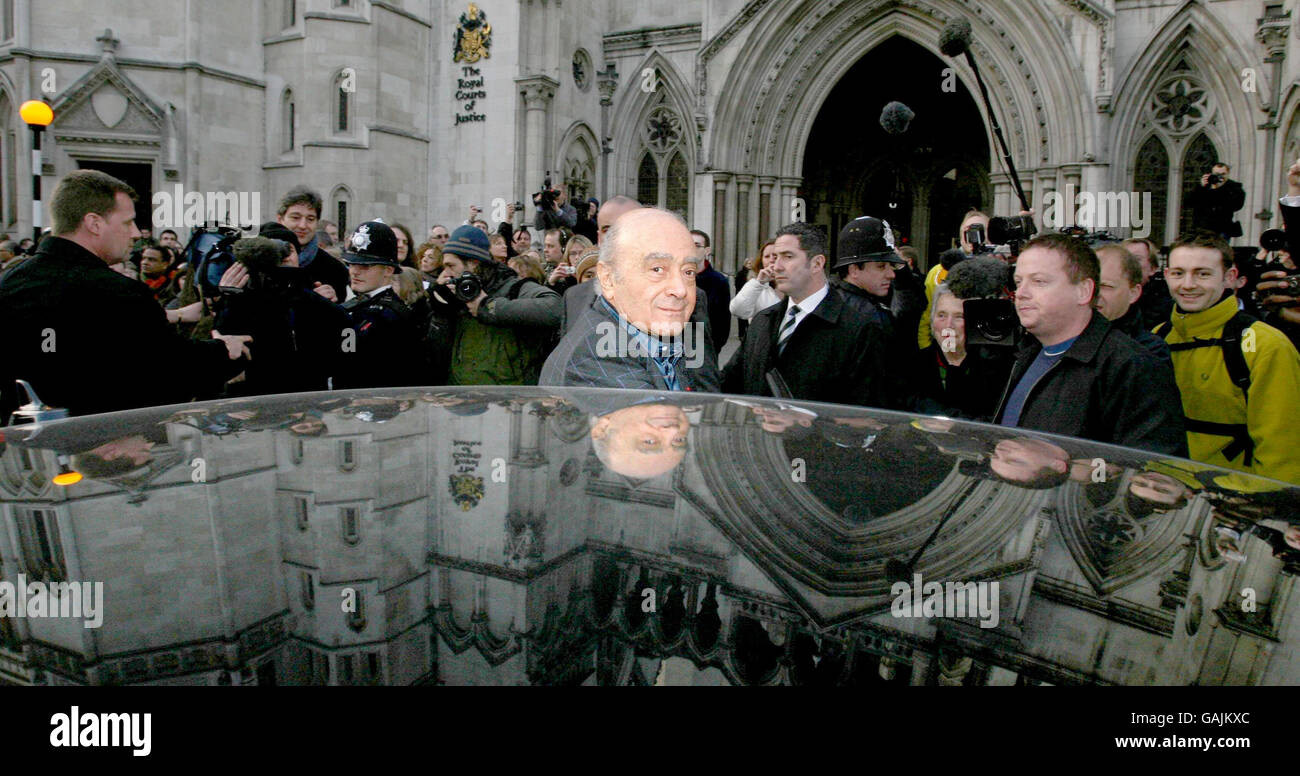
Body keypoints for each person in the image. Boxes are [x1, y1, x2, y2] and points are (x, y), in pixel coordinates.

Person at [0, 169, 250, 419]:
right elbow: (169, 372)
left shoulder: (10, 283)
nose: (134, 233)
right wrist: (225, 351)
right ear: (94, 223)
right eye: (128, 222)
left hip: (29, 448)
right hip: (111, 442)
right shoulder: (119, 293)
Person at [992, 233, 1187, 455]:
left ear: (1083, 291)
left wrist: (1072, 471)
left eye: (1039, 281)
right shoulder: (1024, 354)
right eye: (1018, 282)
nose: (1021, 293)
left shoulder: (1135, 368)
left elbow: (1152, 471)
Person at [1158, 231, 1300, 483]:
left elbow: (1282, 455)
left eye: (1203, 273)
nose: (1188, 284)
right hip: (1164, 491)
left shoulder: (1266, 345)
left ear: (1229, 278)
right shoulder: (1158, 337)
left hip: (1232, 500)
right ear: (1167, 276)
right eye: (1179, 273)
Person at [541, 208, 718, 391]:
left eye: (688, 272)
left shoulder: (655, 338)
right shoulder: (597, 359)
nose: (680, 290)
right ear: (608, 279)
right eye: (657, 269)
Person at [722, 222, 895, 407]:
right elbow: (729, 383)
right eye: (775, 257)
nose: (776, 266)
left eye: (788, 257)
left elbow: (866, 410)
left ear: (817, 263)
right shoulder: (763, 321)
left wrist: (806, 424)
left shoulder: (859, 329)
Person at [211, 236, 351, 397]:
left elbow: (347, 332)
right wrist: (228, 300)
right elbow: (223, 347)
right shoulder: (241, 302)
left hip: (305, 405)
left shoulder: (311, 300)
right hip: (251, 404)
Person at [433, 225, 563, 385]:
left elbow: (555, 308)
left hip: (506, 400)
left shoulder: (513, 288)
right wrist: (439, 308)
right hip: (461, 397)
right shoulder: (455, 295)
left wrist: (488, 306)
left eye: (451, 266)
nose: (445, 273)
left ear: (473, 264)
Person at [333, 220, 426, 389]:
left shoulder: (392, 316)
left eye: (366, 266)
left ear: (388, 270)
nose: (355, 271)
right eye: (352, 263)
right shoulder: (360, 305)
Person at [918, 210, 989, 348]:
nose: (974, 235)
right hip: (950, 345)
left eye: (981, 230)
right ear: (960, 236)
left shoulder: (1002, 269)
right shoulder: (939, 271)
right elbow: (927, 316)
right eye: (968, 230)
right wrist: (926, 350)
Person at [1094, 243, 1171, 364]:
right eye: (1088, 284)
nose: (1094, 293)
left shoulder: (1149, 351)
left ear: (1133, 293)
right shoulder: (1063, 337)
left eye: (1106, 286)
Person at [276, 186, 349, 302]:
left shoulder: (334, 270)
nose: (302, 225)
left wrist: (329, 306)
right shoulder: (258, 260)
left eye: (310, 219)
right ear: (280, 219)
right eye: (295, 217)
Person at [1187, 162, 1246, 242]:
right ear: (1211, 174)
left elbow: (1237, 206)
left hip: (1221, 230)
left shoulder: (1234, 189)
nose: (1220, 177)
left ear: (1228, 174)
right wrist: (1201, 187)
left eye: (1223, 174)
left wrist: (1219, 189)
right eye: (1216, 174)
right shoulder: (1203, 188)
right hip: (1201, 229)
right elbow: (1189, 203)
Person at [1121, 236, 1172, 327]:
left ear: (1152, 268)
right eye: (1124, 258)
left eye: (1137, 259)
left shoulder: (1165, 304)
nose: (1128, 264)